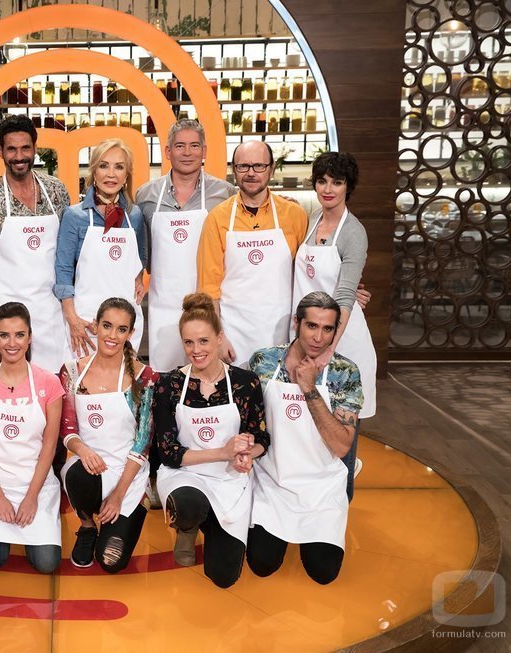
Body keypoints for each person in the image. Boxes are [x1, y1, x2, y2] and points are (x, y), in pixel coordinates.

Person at [152, 293, 268, 587]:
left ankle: (208, 521)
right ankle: (188, 525)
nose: (196, 350)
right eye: (189, 342)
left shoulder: (245, 383)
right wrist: (224, 452)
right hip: (184, 476)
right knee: (188, 505)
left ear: (220, 338)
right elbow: (169, 453)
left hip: (229, 481)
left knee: (224, 577)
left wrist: (247, 454)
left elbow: (261, 436)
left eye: (203, 341)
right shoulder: (169, 385)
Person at [247, 291, 363, 584]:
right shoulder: (263, 362)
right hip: (272, 481)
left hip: (321, 486)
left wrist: (309, 388)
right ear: (296, 323)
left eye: (327, 329)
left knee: (323, 572)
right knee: (261, 564)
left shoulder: (345, 372)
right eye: (311, 326)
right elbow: (248, 421)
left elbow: (341, 446)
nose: (318, 338)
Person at [291, 152, 375, 500]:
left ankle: (341, 506)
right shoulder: (311, 220)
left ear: (347, 187)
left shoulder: (353, 232)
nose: (328, 189)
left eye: (337, 182)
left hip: (342, 342)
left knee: (341, 437)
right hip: (313, 338)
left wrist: (329, 350)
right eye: (322, 181)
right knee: (314, 430)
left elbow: (343, 296)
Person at [59, 298, 158, 573]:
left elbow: (142, 443)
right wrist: (83, 450)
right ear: (96, 326)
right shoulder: (72, 372)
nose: (112, 335)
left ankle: (135, 503)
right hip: (90, 469)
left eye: (121, 329)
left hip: (129, 475)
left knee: (111, 562)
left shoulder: (145, 378)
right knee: (76, 474)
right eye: (106, 326)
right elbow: (68, 429)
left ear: (131, 333)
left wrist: (117, 495)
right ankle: (87, 525)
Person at [0, 115, 71, 373]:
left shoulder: (56, 192)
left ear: (35, 148)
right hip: (6, 321)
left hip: (50, 317)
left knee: (53, 388)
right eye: (11, 149)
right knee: (7, 391)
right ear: (0, 151)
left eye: (25, 148)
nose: (19, 156)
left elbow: (69, 256)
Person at [0, 302, 63, 573]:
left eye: (19, 335)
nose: (12, 343)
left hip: (36, 482)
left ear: (30, 338)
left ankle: (35, 532)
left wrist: (31, 497)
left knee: (47, 563)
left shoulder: (49, 383)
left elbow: (49, 447)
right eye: (4, 335)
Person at [196, 140, 309, 368]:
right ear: (233, 170)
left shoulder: (295, 215)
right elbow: (209, 288)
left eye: (259, 166)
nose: (251, 173)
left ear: (271, 169)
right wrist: (218, 337)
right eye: (243, 166)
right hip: (233, 335)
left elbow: (309, 271)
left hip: (282, 334)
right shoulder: (217, 218)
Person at [136, 119, 235, 374]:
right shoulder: (145, 195)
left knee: (209, 376)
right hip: (163, 305)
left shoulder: (226, 194)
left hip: (210, 303)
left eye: (194, 145)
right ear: (168, 151)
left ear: (204, 151)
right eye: (180, 146)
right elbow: (139, 248)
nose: (187, 152)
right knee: (166, 378)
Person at [56, 140, 147, 358]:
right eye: (104, 166)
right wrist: (72, 318)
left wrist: (138, 277)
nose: (111, 174)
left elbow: (140, 256)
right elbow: (63, 270)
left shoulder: (134, 216)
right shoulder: (74, 216)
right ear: (94, 172)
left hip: (126, 321)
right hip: (86, 322)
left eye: (119, 167)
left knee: (123, 377)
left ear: (126, 175)